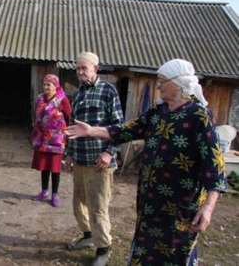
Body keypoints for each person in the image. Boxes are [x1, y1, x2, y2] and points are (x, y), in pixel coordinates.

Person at [65, 59, 227, 265]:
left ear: (178, 83)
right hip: (151, 203)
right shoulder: (157, 113)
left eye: (162, 81)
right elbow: (123, 130)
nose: (157, 85)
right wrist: (90, 130)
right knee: (146, 251)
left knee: (175, 253)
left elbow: (215, 165)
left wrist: (208, 207)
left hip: (180, 206)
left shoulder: (199, 117)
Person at [65, 52, 124, 266]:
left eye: (84, 68)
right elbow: (73, 128)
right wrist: (69, 154)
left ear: (96, 69)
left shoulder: (108, 91)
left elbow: (119, 127)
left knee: (98, 206)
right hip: (80, 159)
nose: (80, 72)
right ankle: (89, 236)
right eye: (78, 68)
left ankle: (103, 248)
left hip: (100, 162)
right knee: (78, 203)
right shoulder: (78, 94)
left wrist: (110, 152)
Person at [31, 74, 71, 207]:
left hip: (57, 140)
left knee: (55, 168)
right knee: (44, 167)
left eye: (49, 84)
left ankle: (55, 194)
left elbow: (68, 116)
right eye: (44, 84)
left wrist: (63, 132)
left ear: (56, 86)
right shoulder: (39, 98)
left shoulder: (62, 100)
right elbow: (36, 115)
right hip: (42, 138)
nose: (46, 87)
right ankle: (44, 192)